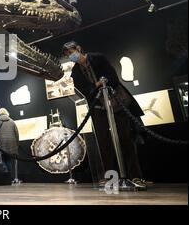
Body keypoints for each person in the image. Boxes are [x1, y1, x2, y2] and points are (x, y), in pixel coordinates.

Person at [62, 41, 145, 185]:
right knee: (103, 143)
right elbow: (85, 91)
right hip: (97, 107)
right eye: (68, 54)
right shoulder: (75, 72)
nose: (71, 55)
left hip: (117, 103)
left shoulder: (98, 58)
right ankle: (110, 177)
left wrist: (98, 86)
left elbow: (112, 78)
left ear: (79, 48)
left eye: (71, 52)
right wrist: (97, 84)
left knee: (125, 139)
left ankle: (135, 176)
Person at [0, 108, 19, 176]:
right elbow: (17, 134)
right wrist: (17, 144)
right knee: (8, 160)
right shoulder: (12, 121)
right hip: (11, 144)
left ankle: (5, 174)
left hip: (1, 144)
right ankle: (10, 177)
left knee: (2, 159)